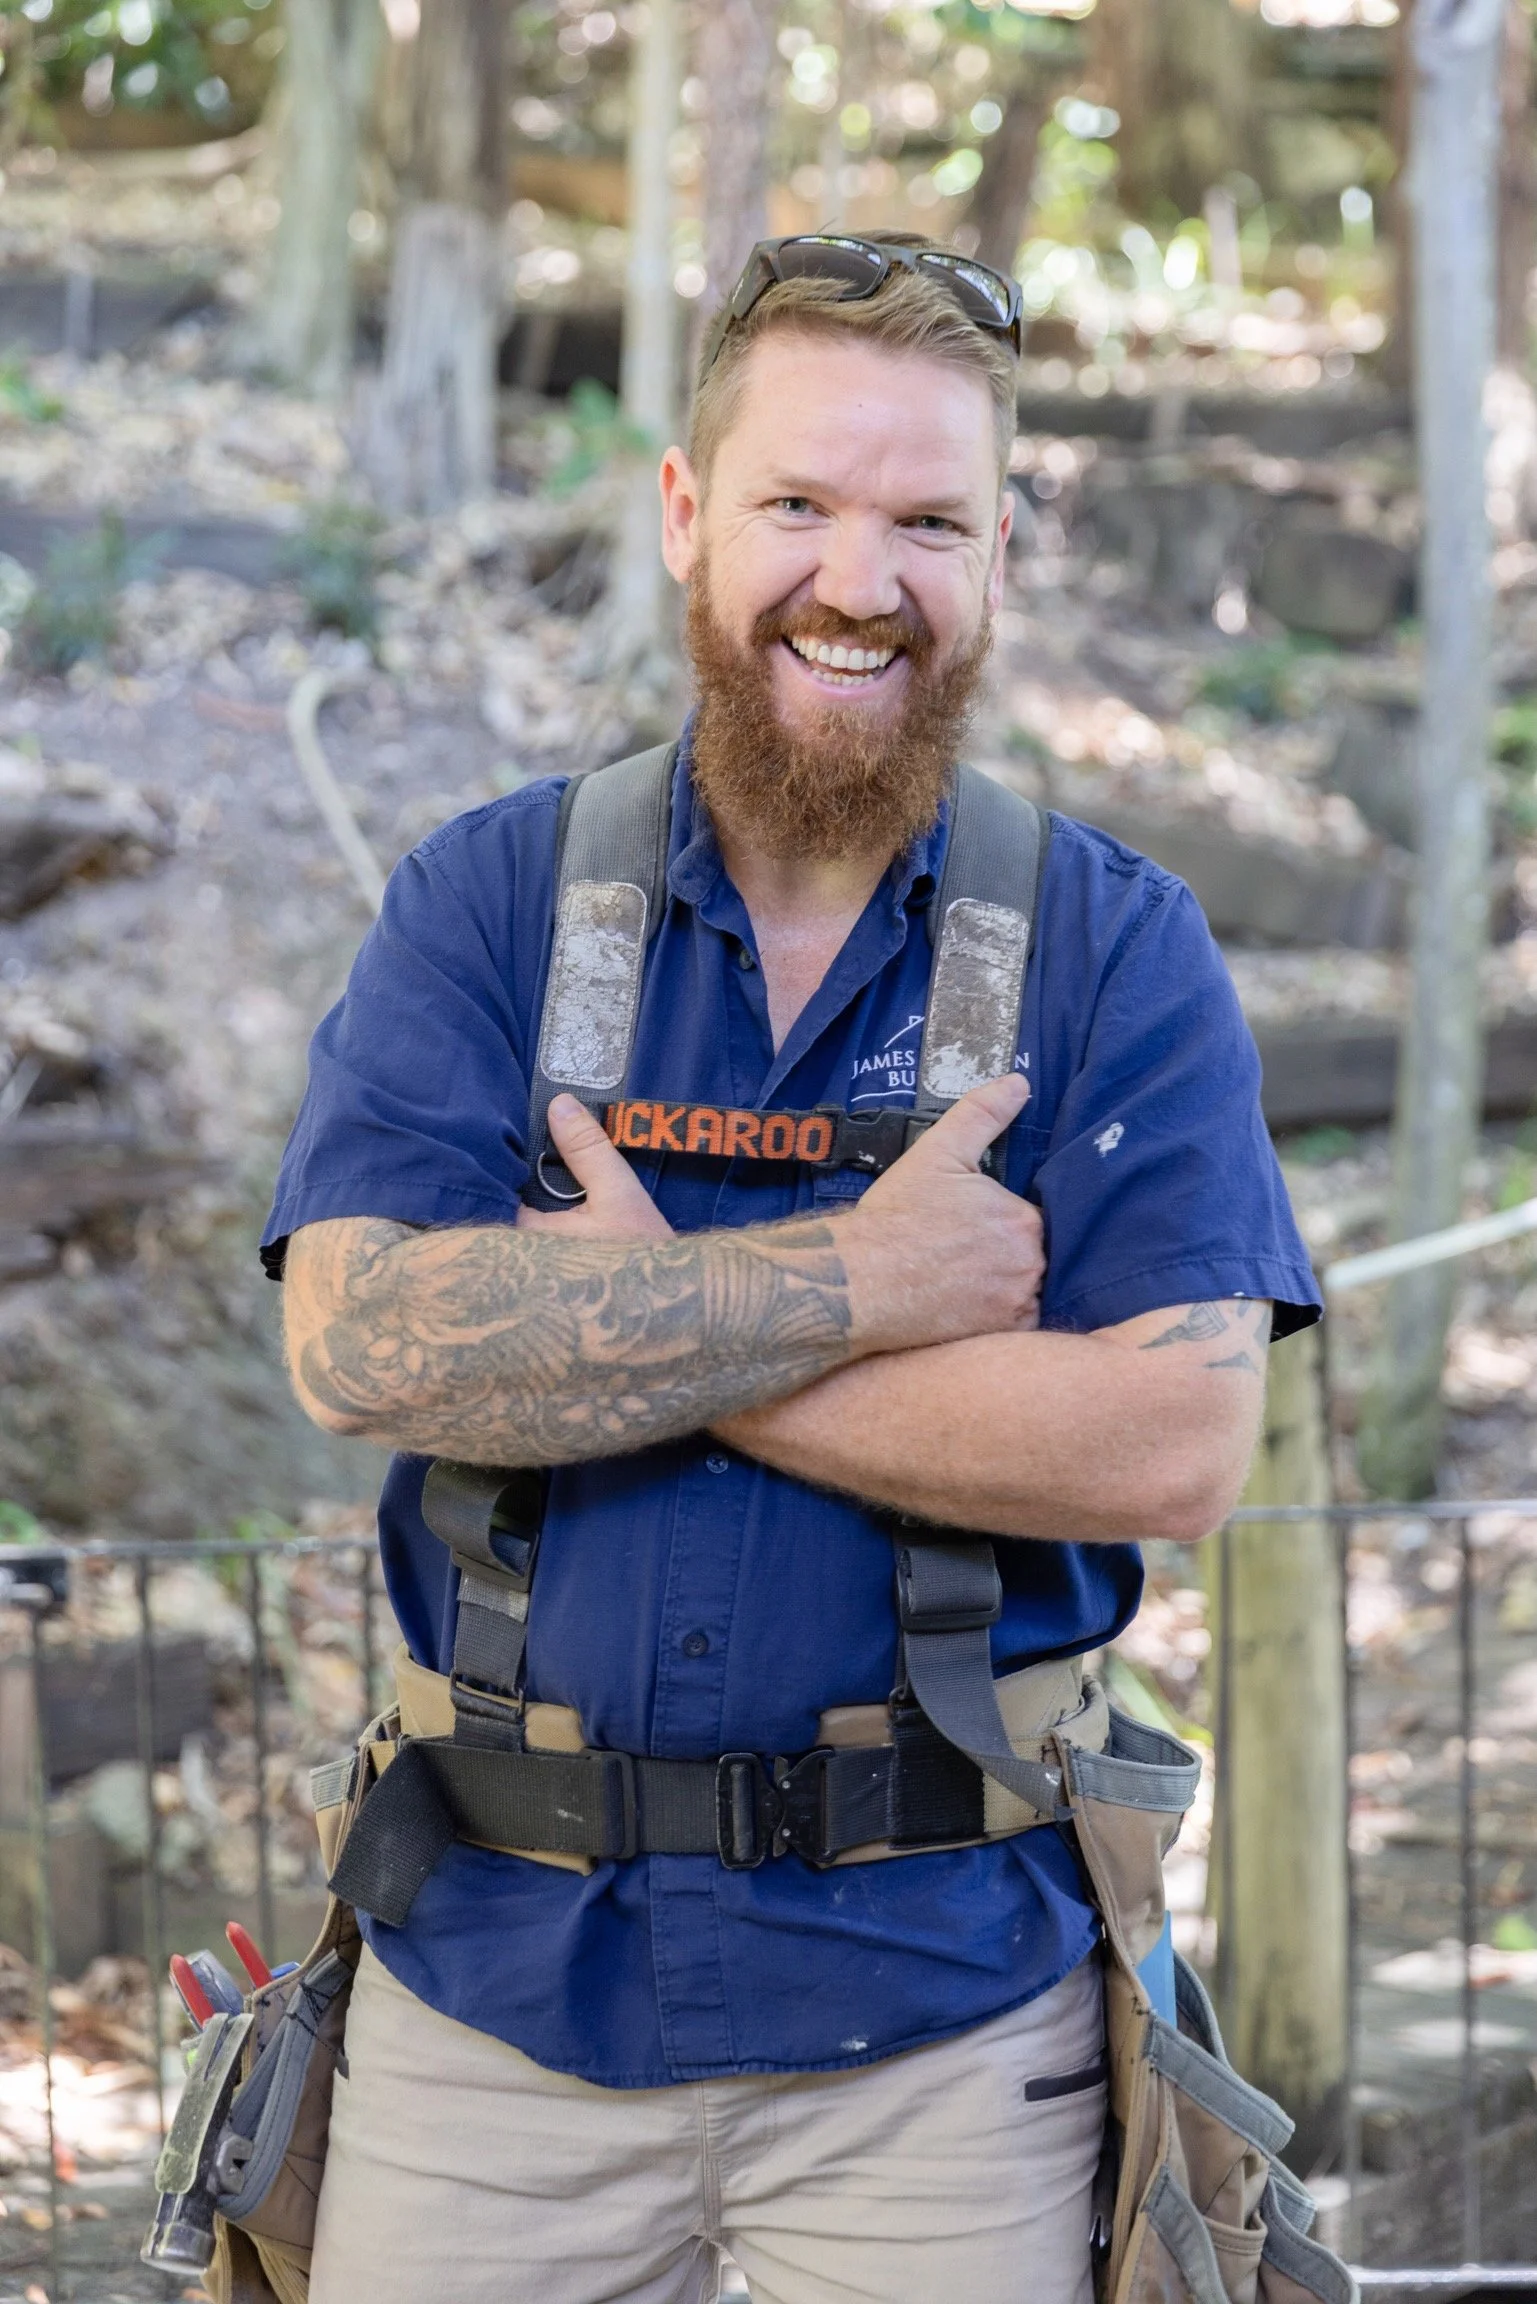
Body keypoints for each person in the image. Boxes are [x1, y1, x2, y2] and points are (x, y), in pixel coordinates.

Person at [262, 232, 1321, 2304]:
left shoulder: (1116, 948)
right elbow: (365, 1343)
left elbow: (1173, 1440)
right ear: (686, 517)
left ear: (1001, 552)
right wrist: (874, 1277)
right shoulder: (489, 906)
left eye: (929, 519)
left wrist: (638, 1321)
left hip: (952, 2021)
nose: (861, 579)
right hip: (489, 2004)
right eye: (801, 506)